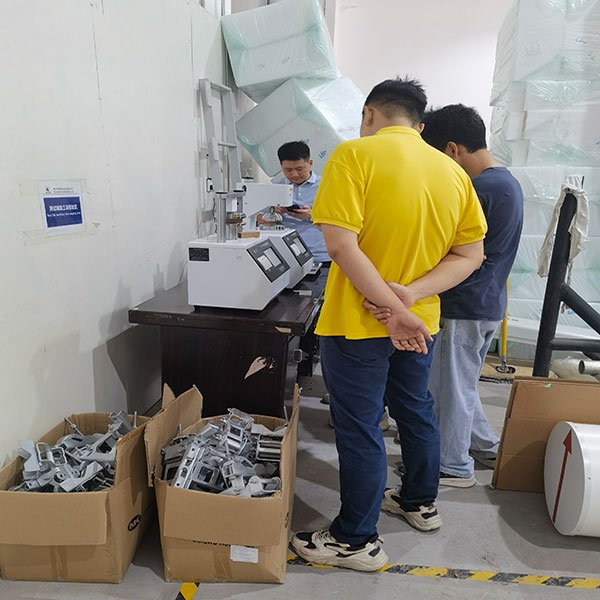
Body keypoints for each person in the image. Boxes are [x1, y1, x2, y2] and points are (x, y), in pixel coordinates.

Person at [290, 78, 487, 572]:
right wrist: (410, 298)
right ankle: (419, 502)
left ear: (369, 114)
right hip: (419, 323)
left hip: (358, 323)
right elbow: (470, 255)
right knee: (415, 411)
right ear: (420, 123)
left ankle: (355, 539)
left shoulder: (353, 156)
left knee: (360, 427)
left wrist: (390, 306)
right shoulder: (452, 171)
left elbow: (341, 246)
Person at [420, 105, 523, 486]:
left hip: (463, 304)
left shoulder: (478, 189)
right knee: (461, 384)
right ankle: (483, 444)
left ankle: (452, 465)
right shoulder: (505, 182)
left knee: (449, 391)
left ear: (452, 149)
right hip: (485, 302)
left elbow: (447, 247)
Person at [272, 141, 330, 265]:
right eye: (288, 170)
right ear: (281, 166)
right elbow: (259, 219)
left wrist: (312, 215)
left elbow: (341, 220)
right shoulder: (276, 188)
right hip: (287, 258)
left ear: (310, 164)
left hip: (321, 257)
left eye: (299, 169)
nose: (294, 174)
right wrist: (273, 215)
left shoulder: (327, 186)